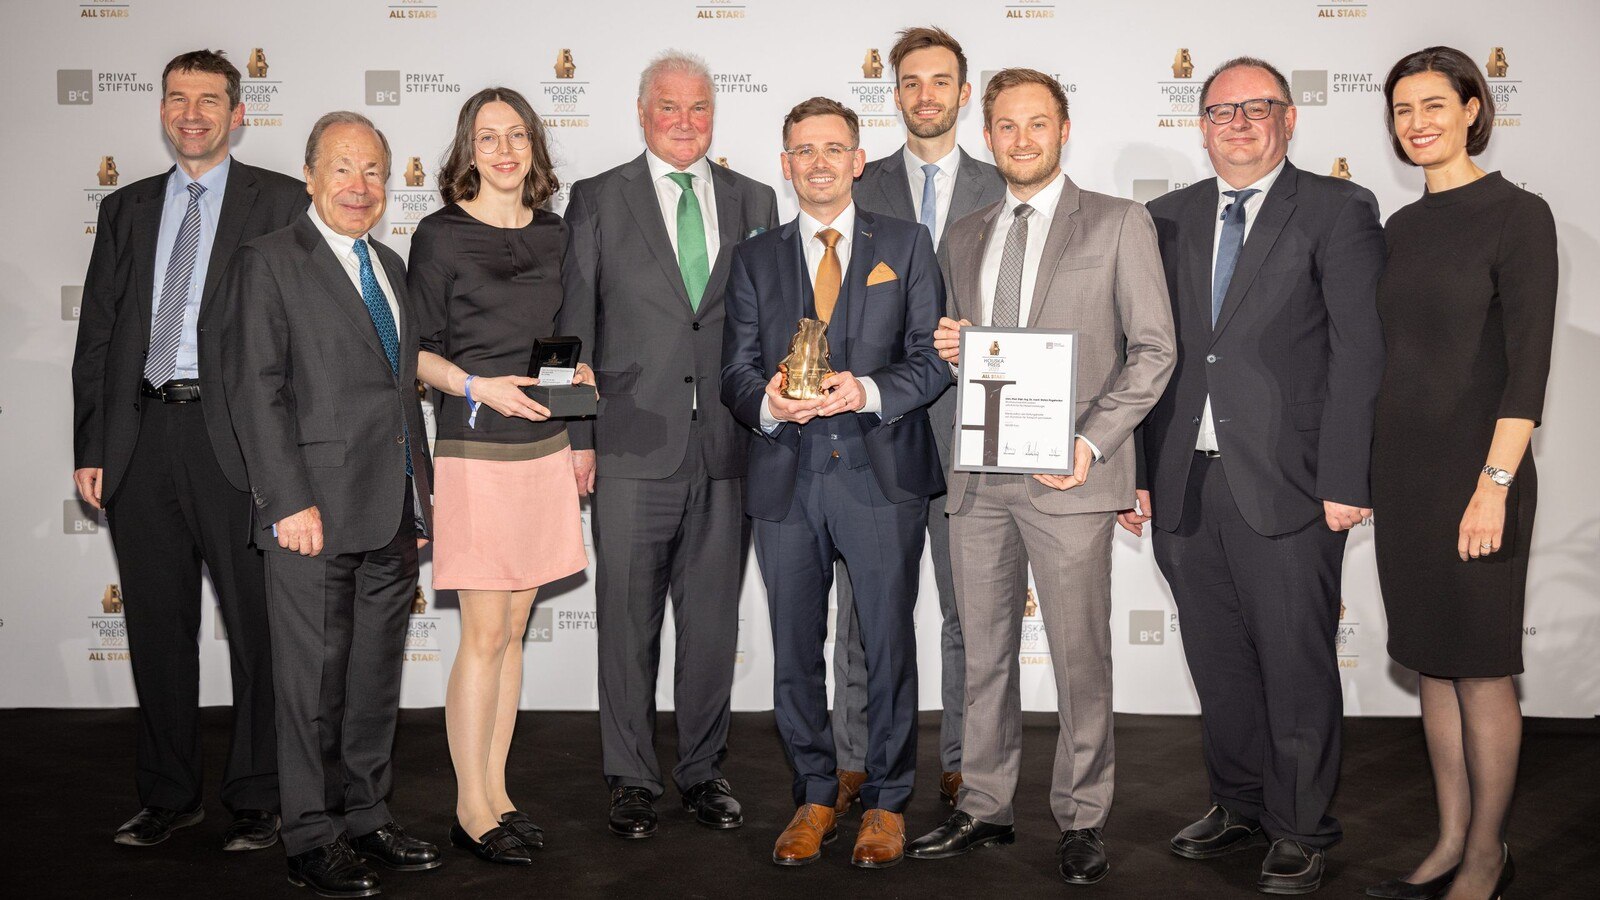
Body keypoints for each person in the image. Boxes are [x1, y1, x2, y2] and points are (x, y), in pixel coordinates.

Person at [905, 68, 1175, 887]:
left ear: (1064, 130)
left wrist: (1090, 446)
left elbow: (1154, 350)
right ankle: (984, 805)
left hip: (1071, 481)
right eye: (1007, 127)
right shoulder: (965, 233)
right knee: (982, 653)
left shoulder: (1121, 222)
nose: (1021, 140)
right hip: (981, 479)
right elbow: (974, 348)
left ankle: (1083, 814)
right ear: (988, 136)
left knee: (1078, 656)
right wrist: (953, 346)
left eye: (1037, 124)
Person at [1127, 57, 1386, 895]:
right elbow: (1147, 356)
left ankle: (1302, 826)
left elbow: (1359, 353)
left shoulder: (1339, 209)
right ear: (1199, 124)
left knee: (1297, 662)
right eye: (1220, 110)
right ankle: (1238, 803)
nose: (1237, 123)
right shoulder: (1163, 218)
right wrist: (1134, 469)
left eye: (1256, 108)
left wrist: (1346, 476)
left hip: (1293, 484)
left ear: (1288, 119)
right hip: (1183, 482)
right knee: (1220, 659)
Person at [70, 49, 306, 852]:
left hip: (238, 441)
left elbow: (301, 337)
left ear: (239, 113)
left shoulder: (283, 201)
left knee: (257, 630)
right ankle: (169, 793)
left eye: (210, 99)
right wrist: (95, 443)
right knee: (158, 631)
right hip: (142, 439)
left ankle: (258, 796)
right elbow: (99, 334)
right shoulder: (127, 207)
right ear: (163, 110)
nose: (193, 113)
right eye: (178, 99)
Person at [721, 96, 949, 869]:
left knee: (886, 645)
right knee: (794, 652)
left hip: (881, 475)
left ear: (858, 160)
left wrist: (871, 391)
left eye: (833, 148)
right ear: (785, 165)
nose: (818, 162)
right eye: (802, 150)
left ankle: (887, 803)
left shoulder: (910, 244)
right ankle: (816, 793)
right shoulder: (753, 258)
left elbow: (932, 355)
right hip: (786, 477)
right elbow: (735, 370)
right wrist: (767, 403)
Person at [556, 50, 778, 839]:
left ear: (714, 114)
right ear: (642, 111)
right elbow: (572, 328)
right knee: (624, 621)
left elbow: (769, 326)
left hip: (730, 448)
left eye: (699, 108)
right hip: (626, 448)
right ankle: (630, 778)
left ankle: (702, 770)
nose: (685, 122)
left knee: (713, 624)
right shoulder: (596, 199)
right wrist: (578, 435)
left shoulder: (756, 198)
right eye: (669, 107)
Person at [221, 111, 440, 897]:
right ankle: (310, 836)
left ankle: (367, 817)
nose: (360, 185)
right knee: (309, 686)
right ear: (310, 176)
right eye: (342, 168)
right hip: (309, 512)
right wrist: (286, 500)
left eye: (374, 170)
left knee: (375, 679)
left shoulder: (389, 262)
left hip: (390, 512)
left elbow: (399, 395)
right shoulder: (269, 261)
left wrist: (420, 500)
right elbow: (256, 389)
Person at [1362, 46, 1555, 900]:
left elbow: (1528, 368)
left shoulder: (1519, 215)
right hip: (1403, 476)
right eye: (1404, 110)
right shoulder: (1400, 227)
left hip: (1481, 476)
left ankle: (1487, 856)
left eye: (1436, 104)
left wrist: (1495, 485)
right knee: (1431, 664)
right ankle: (1447, 840)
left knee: (1479, 666)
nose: (1418, 123)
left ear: (1474, 108)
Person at [409, 87, 592, 865]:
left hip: (544, 446)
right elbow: (411, 351)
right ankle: (469, 808)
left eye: (517, 135)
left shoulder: (558, 234)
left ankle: (499, 790)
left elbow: (569, 333)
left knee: (513, 631)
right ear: (468, 150)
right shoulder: (440, 235)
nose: (505, 150)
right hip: (476, 445)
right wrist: (476, 386)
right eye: (489, 138)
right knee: (483, 634)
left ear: (534, 147)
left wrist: (577, 376)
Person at [832, 25, 1005, 813]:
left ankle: (966, 763)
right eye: (910, 82)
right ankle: (856, 759)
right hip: (878, 434)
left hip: (979, 435)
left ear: (964, 95)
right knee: (866, 614)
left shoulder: (1006, 184)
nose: (926, 96)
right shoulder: (856, 189)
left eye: (941, 82)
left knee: (971, 613)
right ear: (893, 93)